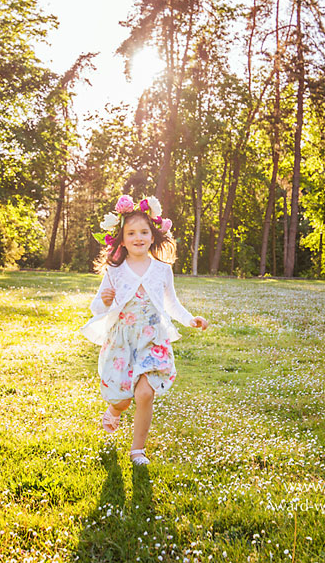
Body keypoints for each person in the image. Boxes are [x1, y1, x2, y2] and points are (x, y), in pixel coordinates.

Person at [80, 194, 208, 466]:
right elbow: (97, 307)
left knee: (145, 393)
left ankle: (137, 450)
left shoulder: (162, 270)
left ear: (153, 236)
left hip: (153, 339)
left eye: (143, 232)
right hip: (123, 341)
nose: (138, 237)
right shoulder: (115, 270)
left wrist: (189, 319)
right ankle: (115, 409)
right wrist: (103, 301)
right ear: (122, 239)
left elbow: (171, 304)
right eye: (131, 233)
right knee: (124, 399)